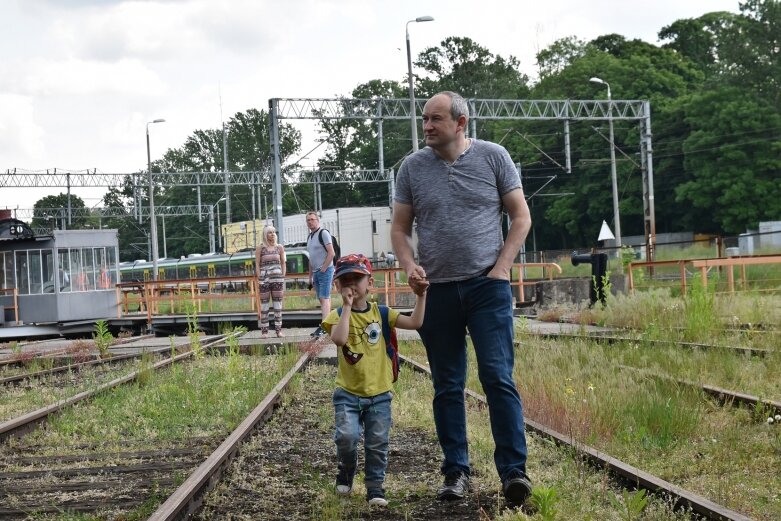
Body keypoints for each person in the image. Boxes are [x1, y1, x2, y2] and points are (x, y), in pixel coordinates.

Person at [391, 91, 534, 508]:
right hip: (435, 290)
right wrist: (409, 265)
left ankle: (514, 473)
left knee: (497, 377)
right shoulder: (412, 169)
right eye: (424, 120)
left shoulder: (494, 157)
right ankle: (456, 471)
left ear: (461, 122)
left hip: (486, 287)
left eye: (435, 119)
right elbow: (400, 229)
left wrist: (502, 268)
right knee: (447, 384)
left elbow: (520, 216)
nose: (427, 127)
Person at [321, 253, 427, 507]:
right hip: (348, 392)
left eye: (357, 279)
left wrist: (421, 295)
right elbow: (339, 339)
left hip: (379, 392)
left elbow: (415, 322)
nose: (351, 285)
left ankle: (375, 486)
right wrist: (347, 307)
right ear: (337, 286)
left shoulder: (382, 313)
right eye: (345, 280)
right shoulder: (336, 315)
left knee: (377, 442)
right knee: (346, 437)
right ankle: (346, 468)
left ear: (370, 283)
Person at [306, 211, 335, 338]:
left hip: (325, 270)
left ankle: (324, 326)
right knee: (323, 298)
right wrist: (310, 276)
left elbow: (331, 253)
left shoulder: (323, 233)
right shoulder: (310, 237)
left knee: (324, 298)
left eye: (312, 219)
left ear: (317, 220)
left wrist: (324, 268)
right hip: (316, 272)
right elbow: (311, 258)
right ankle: (329, 323)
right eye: (308, 220)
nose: (310, 222)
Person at [255, 224, 287, 338]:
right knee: (264, 306)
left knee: (278, 305)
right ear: (265, 234)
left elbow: (283, 262)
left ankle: (279, 330)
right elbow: (257, 264)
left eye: (274, 232)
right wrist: (259, 276)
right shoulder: (260, 248)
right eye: (270, 232)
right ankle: (264, 331)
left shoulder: (280, 248)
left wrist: (282, 275)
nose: (272, 234)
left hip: (277, 279)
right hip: (264, 280)